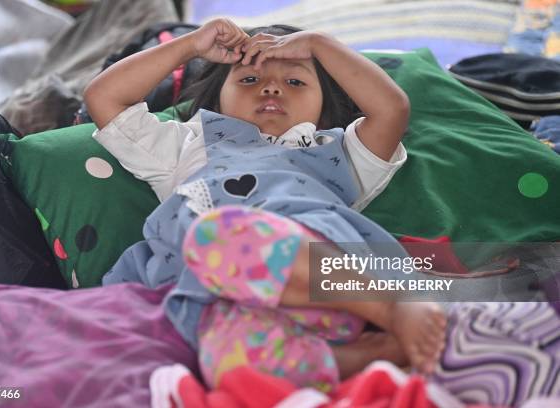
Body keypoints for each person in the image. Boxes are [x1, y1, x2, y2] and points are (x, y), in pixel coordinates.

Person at [84, 18, 447, 392]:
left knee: (219, 233)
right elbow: (104, 97)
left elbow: (391, 109)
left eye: (295, 81)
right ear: (216, 99)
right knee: (227, 366)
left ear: (324, 107)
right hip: (225, 305)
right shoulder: (187, 146)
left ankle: (393, 309)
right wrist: (190, 45)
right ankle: (369, 355)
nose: (271, 86)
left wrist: (320, 46)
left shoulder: (336, 149)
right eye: (248, 79)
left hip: (332, 286)